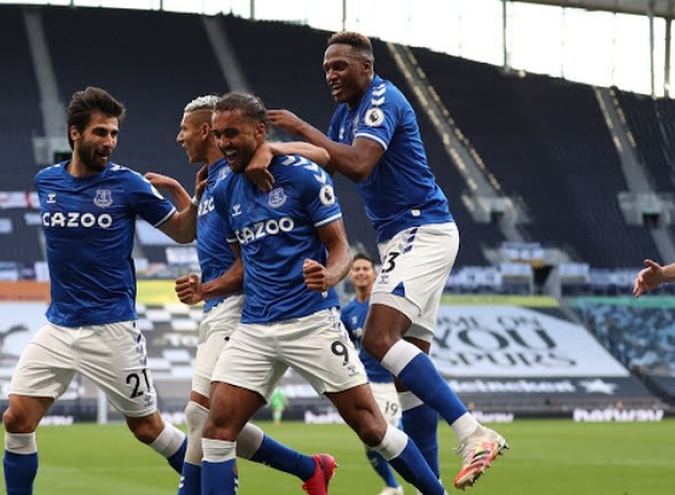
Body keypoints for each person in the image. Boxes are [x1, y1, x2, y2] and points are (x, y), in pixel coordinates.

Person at [249, 31, 508, 490]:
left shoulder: (382, 99)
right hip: (402, 238)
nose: (330, 75)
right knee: (408, 384)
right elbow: (328, 159)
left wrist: (299, 128)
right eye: (326, 68)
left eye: (339, 66)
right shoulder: (345, 114)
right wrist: (277, 149)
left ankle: (474, 433)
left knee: (377, 338)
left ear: (366, 67)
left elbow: (358, 163)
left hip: (420, 229)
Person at [200, 92, 447, 495]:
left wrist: (329, 277)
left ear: (259, 132)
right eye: (218, 134)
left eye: (232, 133)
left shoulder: (302, 176)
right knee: (216, 429)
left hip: (311, 322)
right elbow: (243, 264)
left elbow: (340, 249)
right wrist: (206, 287)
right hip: (255, 327)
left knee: (372, 428)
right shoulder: (226, 190)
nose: (223, 142)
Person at [1, 87, 200, 495]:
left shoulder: (128, 184)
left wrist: (194, 196)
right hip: (58, 327)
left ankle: (214, 482)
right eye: (100, 132)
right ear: (75, 134)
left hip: (111, 328)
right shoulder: (46, 181)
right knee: (17, 419)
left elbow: (183, 232)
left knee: (147, 428)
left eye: (113, 134)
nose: (108, 141)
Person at [145, 95, 340, 495]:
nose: (179, 137)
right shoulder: (210, 180)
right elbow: (194, 231)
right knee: (207, 417)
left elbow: (320, 154)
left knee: (203, 416)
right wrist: (182, 193)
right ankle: (310, 467)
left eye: (184, 129)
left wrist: (272, 150)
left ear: (205, 131)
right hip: (216, 305)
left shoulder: (244, 172)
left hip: (239, 302)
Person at [342, 253, 404, 495]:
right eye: (356, 269)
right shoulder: (348, 312)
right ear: (350, 274)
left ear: (374, 273)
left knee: (391, 437)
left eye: (365, 269)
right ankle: (393, 485)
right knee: (369, 439)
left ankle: (427, 482)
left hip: (390, 382)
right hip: (366, 383)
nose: (360, 273)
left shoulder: (384, 305)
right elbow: (348, 346)